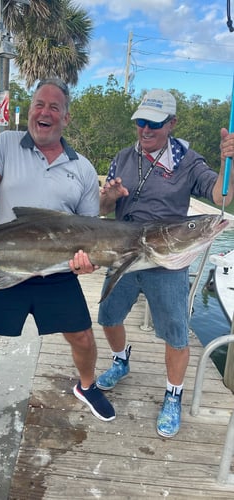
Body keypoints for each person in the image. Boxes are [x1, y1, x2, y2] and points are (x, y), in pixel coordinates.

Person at [0, 78, 115, 444]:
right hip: (4, 263)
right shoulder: (6, 143)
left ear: (66, 118)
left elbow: (89, 230)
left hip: (56, 272)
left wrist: (87, 263)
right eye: (39, 104)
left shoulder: (84, 169)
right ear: (30, 110)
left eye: (54, 107)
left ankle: (86, 386)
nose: (45, 112)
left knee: (83, 338)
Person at [96, 88, 234, 438]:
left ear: (172, 123)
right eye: (140, 122)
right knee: (108, 316)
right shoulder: (124, 157)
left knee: (175, 334)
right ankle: (121, 359)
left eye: (154, 124)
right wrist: (108, 198)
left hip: (169, 260)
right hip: (125, 254)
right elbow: (103, 210)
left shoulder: (188, 161)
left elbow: (221, 197)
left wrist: (228, 162)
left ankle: (173, 395)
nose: (145, 130)